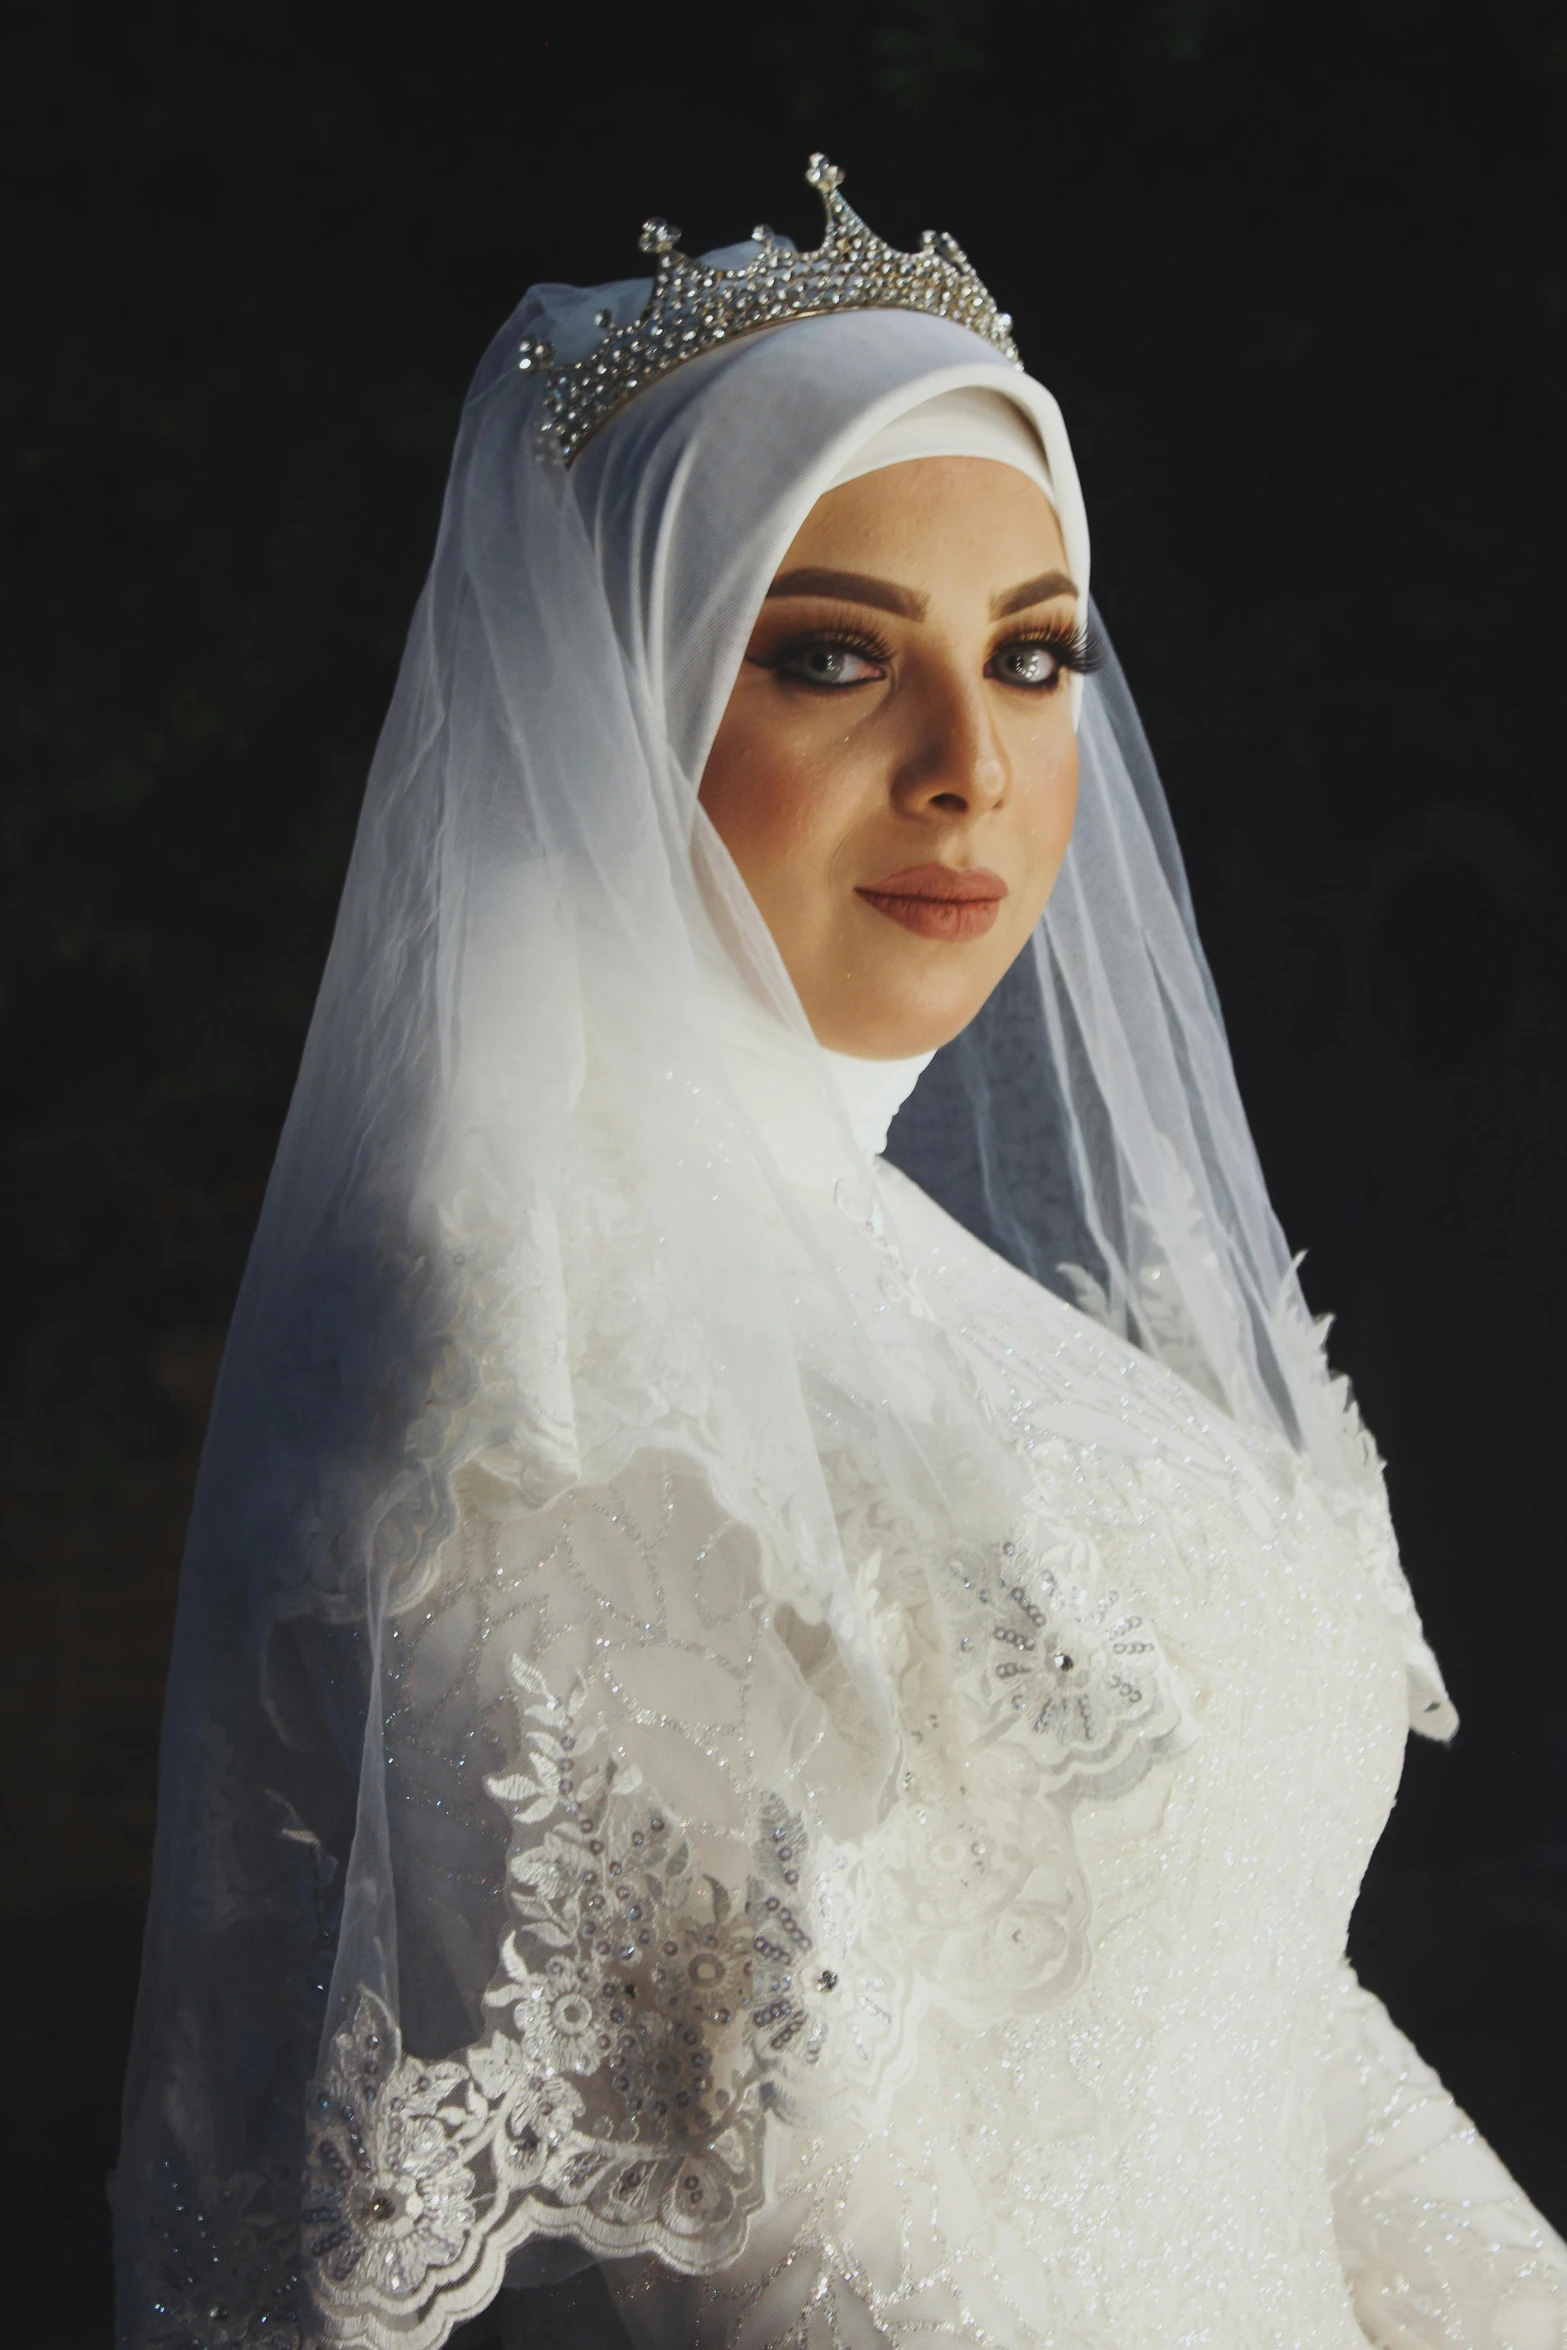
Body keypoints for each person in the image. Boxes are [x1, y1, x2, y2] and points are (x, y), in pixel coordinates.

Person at [114, 158, 1566, 2350]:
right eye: (829, 656)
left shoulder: (952, 1289)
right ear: (622, 704)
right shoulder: (523, 1379)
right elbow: (818, 2253)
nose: (971, 766)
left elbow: (1249, 1983)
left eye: (1036, 653)